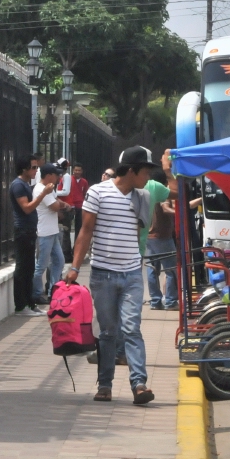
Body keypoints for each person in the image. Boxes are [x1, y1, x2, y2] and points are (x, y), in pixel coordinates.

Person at [68, 146, 159, 405]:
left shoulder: (142, 196)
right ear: (131, 170)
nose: (148, 178)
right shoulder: (97, 192)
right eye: (145, 171)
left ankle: (139, 384)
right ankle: (105, 385)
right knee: (108, 331)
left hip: (131, 273)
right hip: (102, 274)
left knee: (132, 329)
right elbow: (85, 231)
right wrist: (74, 268)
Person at [9, 154, 49, 316]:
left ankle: (29, 303)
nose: (36, 171)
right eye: (33, 168)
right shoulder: (18, 185)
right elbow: (27, 208)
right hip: (23, 231)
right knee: (22, 269)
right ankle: (20, 306)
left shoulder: (25, 184)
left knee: (29, 268)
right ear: (24, 169)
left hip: (29, 231)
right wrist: (43, 193)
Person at [32, 163, 68, 306]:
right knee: (41, 265)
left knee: (59, 260)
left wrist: (61, 204)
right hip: (44, 233)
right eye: (56, 174)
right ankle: (36, 294)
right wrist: (64, 205)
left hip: (52, 231)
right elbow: (53, 206)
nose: (58, 177)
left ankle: (54, 290)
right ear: (48, 176)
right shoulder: (41, 189)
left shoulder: (49, 189)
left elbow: (56, 201)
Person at [146, 165, 180, 311]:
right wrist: (178, 214)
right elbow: (165, 207)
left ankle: (155, 301)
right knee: (171, 270)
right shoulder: (161, 190)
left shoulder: (146, 190)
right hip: (162, 236)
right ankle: (171, 301)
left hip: (148, 236)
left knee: (152, 269)